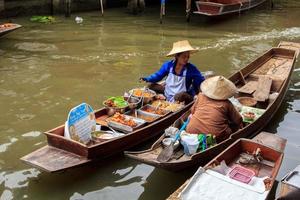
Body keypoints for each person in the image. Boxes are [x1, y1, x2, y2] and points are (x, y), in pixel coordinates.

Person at [140, 40, 205, 104]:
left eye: (188, 57)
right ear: (177, 56)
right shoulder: (168, 65)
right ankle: (161, 98)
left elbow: (200, 81)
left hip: (182, 96)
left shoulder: (191, 69)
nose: (186, 59)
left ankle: (169, 102)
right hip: (168, 92)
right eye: (184, 57)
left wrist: (196, 94)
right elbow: (158, 75)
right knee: (150, 86)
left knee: (179, 96)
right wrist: (147, 79)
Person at [186, 76, 243, 142]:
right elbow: (238, 120)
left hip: (191, 131)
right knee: (233, 127)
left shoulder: (200, 96)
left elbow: (192, 111)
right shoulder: (226, 103)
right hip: (214, 135)